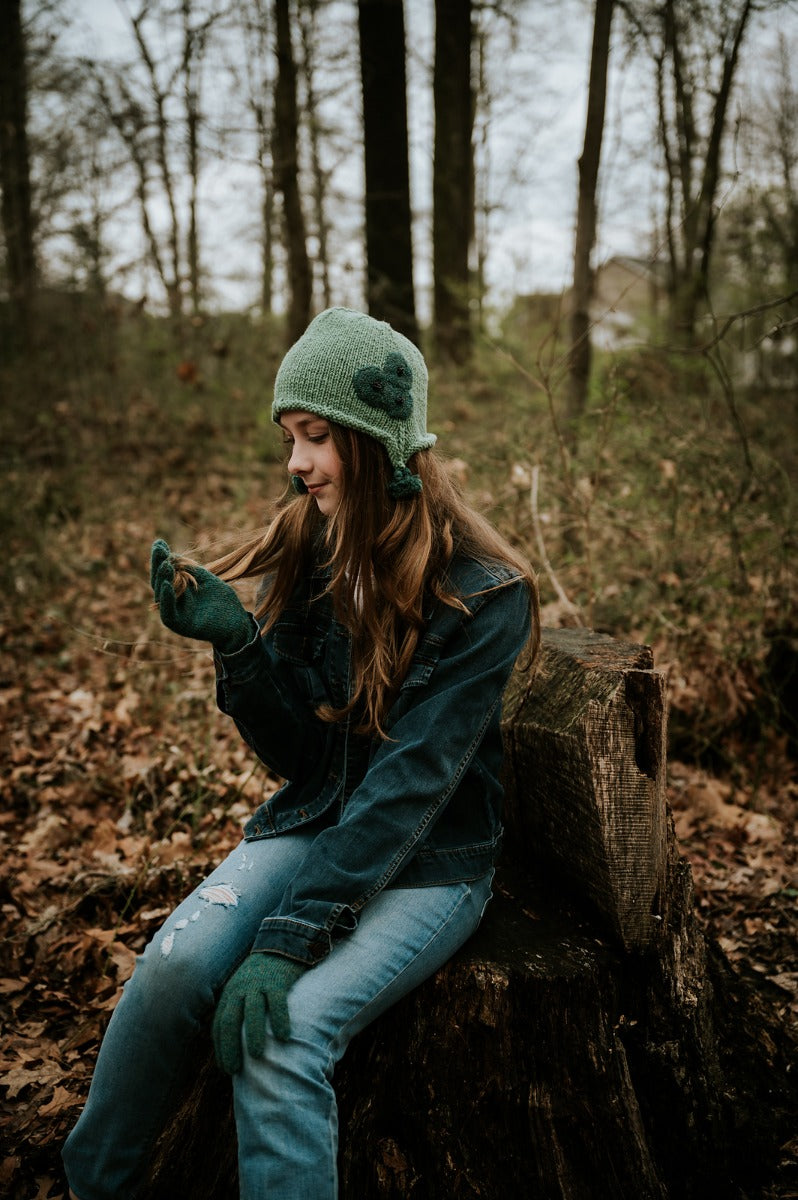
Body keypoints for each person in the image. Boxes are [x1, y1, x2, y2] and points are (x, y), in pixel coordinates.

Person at [63, 307, 540, 1200]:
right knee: (171, 971)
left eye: (316, 436)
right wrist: (239, 647)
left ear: (378, 436)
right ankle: (97, 1184)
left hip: (433, 862)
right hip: (322, 817)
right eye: (290, 437)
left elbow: (411, 788)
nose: (296, 462)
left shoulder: (485, 593)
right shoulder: (313, 542)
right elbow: (298, 759)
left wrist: (290, 937)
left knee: (284, 1033)